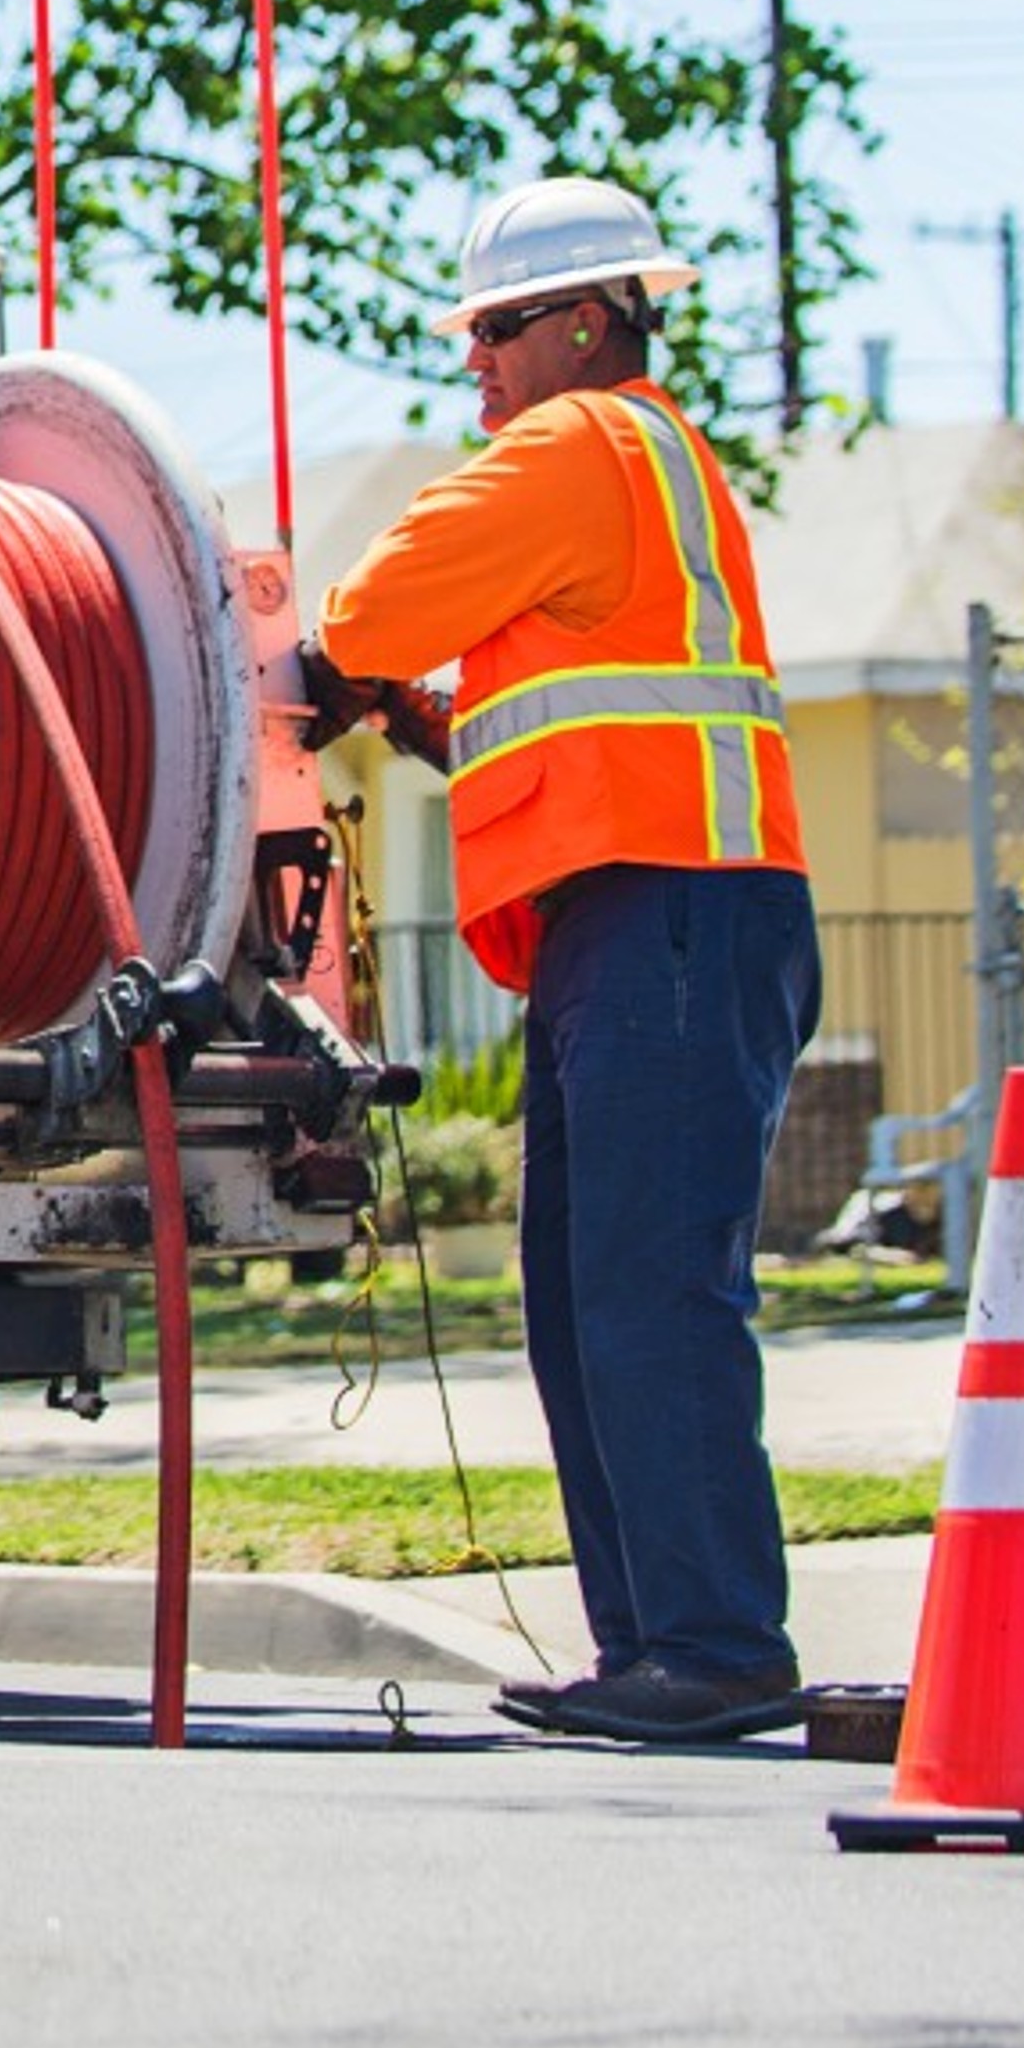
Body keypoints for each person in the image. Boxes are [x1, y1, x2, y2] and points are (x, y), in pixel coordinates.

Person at [302, 175, 822, 1743]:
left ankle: (715, 1643)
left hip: (665, 916)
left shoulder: (576, 444)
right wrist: (416, 717)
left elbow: (375, 605)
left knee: (643, 1292)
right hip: (654, 916)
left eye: (498, 329)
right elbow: (581, 722)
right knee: (583, 1298)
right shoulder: (644, 474)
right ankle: (656, 1645)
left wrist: (344, 668)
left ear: (585, 323)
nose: (480, 363)